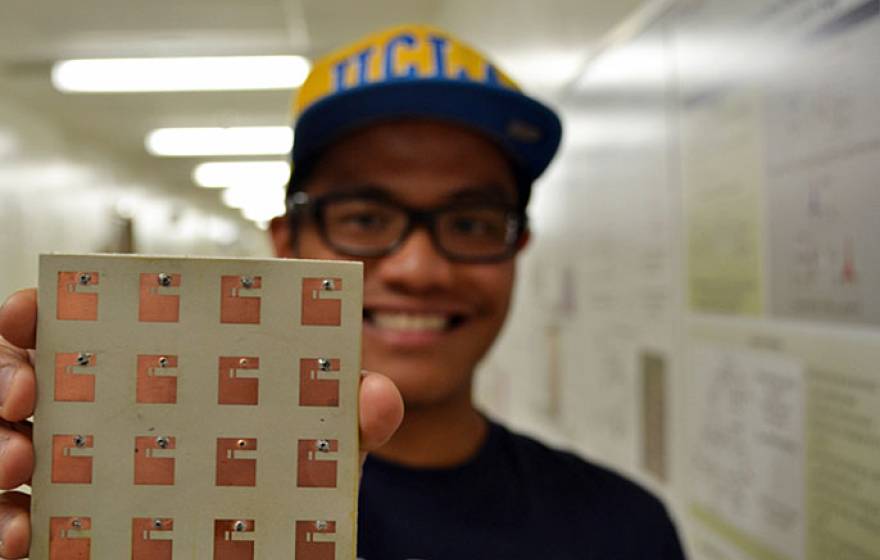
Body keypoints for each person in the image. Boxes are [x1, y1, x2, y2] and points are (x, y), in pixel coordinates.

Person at [0, 24, 686, 559]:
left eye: (471, 222)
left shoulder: (625, 531)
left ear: (518, 248)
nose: (418, 268)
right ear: (286, 242)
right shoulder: (127, 507)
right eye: (365, 218)